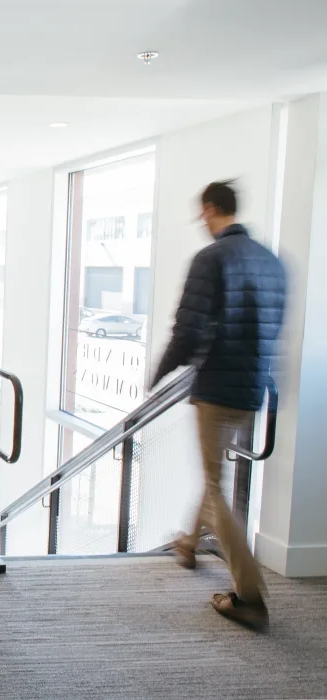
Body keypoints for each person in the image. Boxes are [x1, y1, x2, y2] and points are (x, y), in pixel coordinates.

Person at [151, 180, 286, 631]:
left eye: (202, 214)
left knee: (214, 483)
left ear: (210, 209)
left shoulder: (210, 259)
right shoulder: (271, 262)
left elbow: (187, 330)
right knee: (215, 475)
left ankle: (249, 595)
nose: (202, 223)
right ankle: (189, 542)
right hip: (252, 388)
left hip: (217, 388)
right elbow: (273, 329)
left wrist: (159, 375)